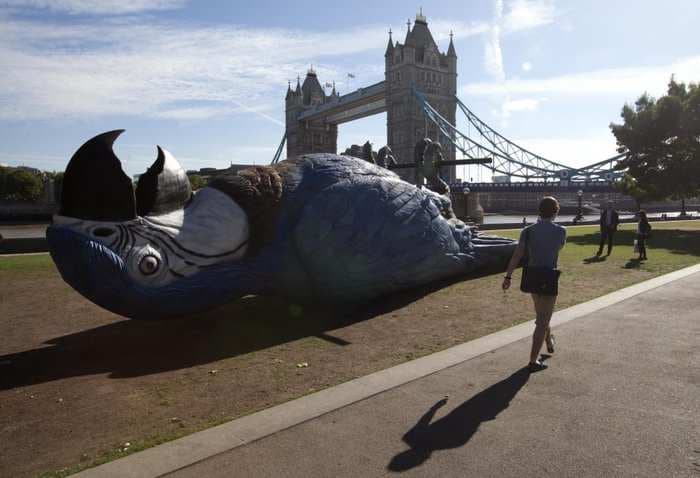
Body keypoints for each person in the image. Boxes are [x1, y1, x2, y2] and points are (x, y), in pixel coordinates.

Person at [502, 197, 567, 372]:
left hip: (531, 277)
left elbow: (516, 256)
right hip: (549, 277)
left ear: (539, 210)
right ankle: (533, 360)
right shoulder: (561, 231)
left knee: (542, 316)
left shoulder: (527, 231)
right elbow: (558, 249)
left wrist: (508, 277)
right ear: (556, 211)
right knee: (542, 320)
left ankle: (548, 340)